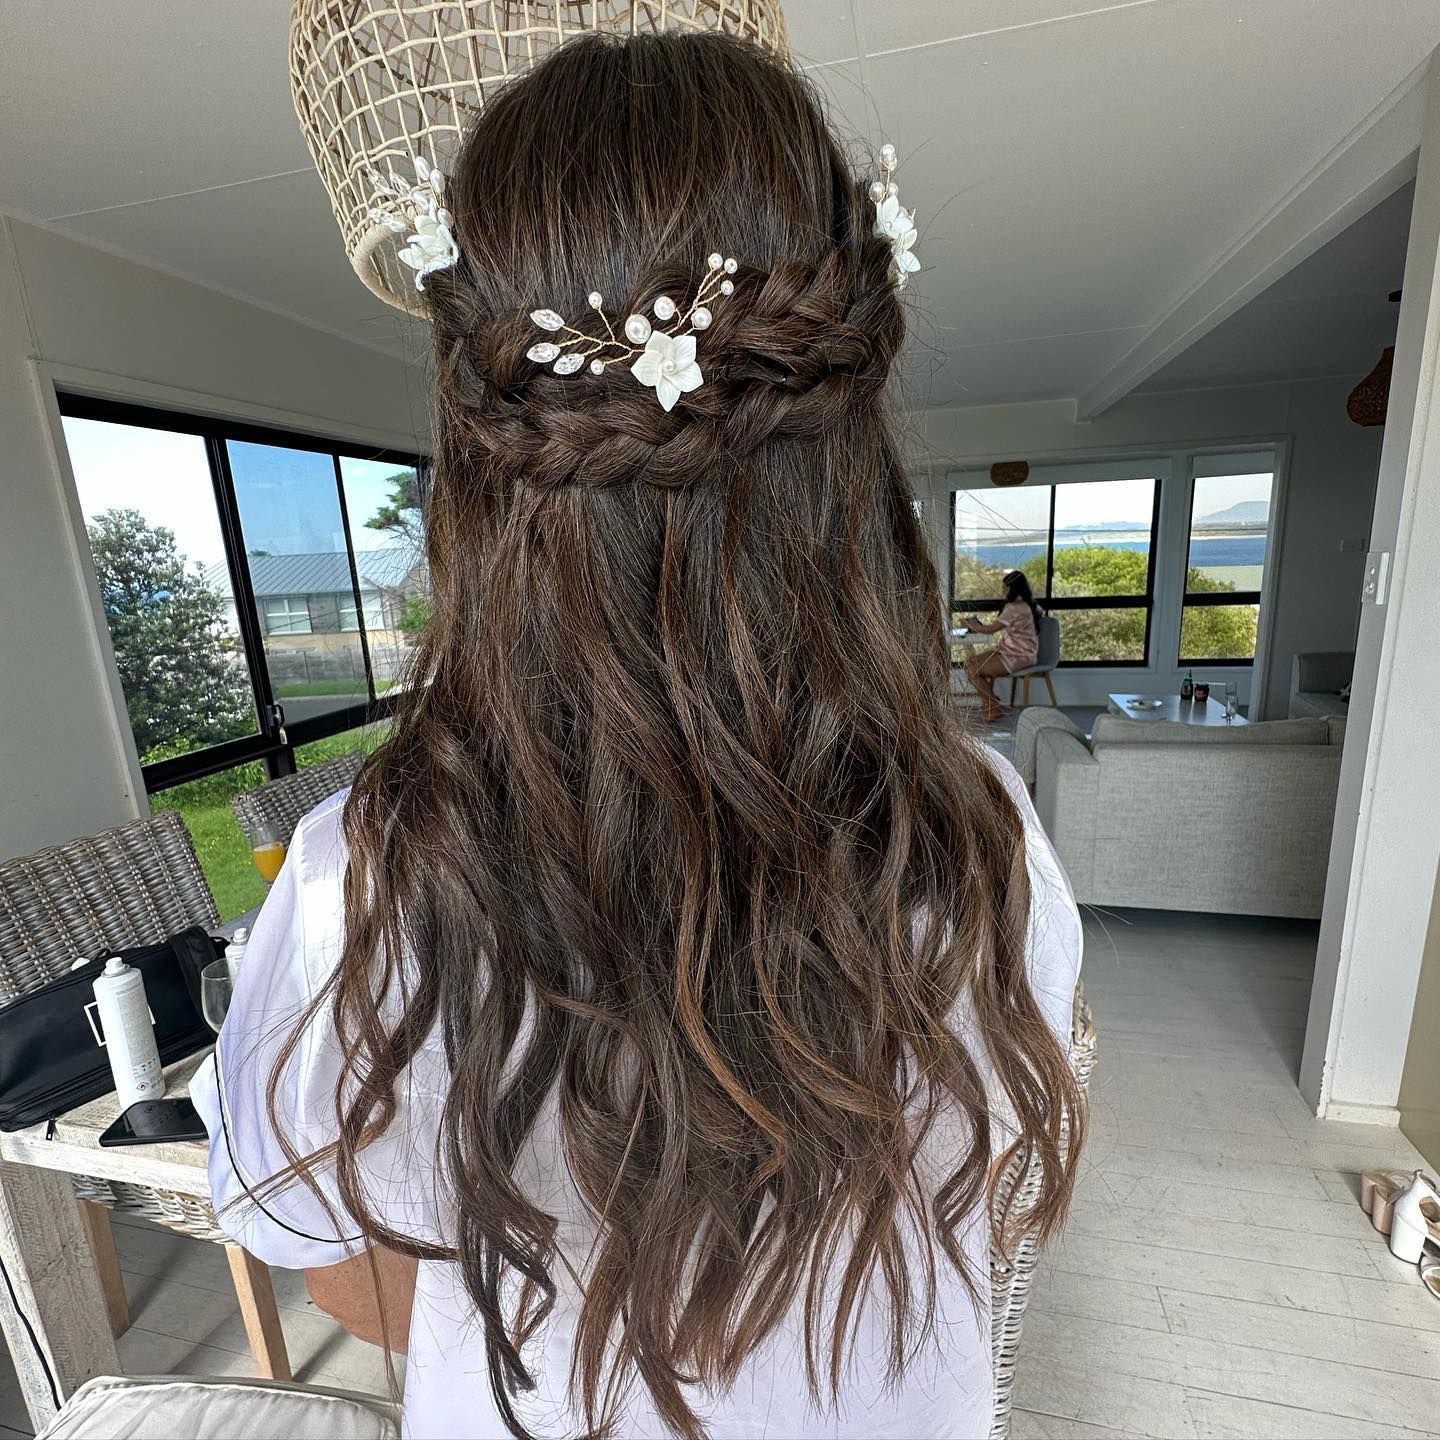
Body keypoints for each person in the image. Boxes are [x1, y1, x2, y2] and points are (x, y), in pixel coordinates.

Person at [193, 32, 1083, 1440]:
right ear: (851, 453)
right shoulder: (979, 839)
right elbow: (971, 1199)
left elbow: (349, 1274)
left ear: (483, 466)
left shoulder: (367, 876)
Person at [962, 569, 1042, 723]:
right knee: (970, 662)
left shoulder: (1014, 607)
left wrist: (969, 624)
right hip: (1019, 653)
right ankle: (992, 703)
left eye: (1005, 587)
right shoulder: (1030, 605)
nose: (1003, 591)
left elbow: (990, 630)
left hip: (1016, 657)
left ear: (1013, 588)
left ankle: (992, 706)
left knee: (972, 669)